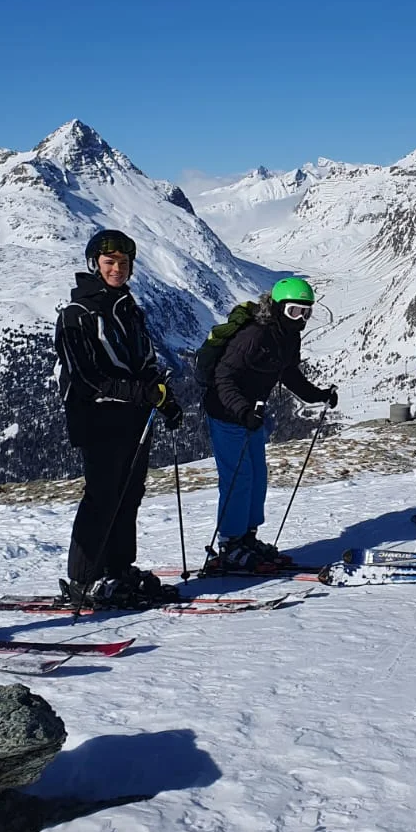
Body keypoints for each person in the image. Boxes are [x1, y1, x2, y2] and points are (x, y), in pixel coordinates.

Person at [56, 229, 184, 606]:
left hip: (133, 419)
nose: (117, 269)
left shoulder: (128, 307)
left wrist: (164, 399)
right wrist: (142, 393)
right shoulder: (76, 315)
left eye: (124, 263)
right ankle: (85, 579)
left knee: (129, 495)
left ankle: (118, 568)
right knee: (102, 497)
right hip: (97, 419)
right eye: (110, 262)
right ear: (94, 264)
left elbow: (143, 363)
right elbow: (86, 378)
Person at [202, 276, 337, 571]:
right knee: (239, 479)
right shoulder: (254, 335)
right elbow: (222, 378)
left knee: (257, 477)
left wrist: (318, 395)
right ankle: (230, 544)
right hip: (227, 413)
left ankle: (247, 538)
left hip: (251, 415)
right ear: (276, 308)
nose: (300, 319)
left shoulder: (288, 336)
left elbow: (288, 373)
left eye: (305, 312)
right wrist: (242, 411)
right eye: (293, 311)